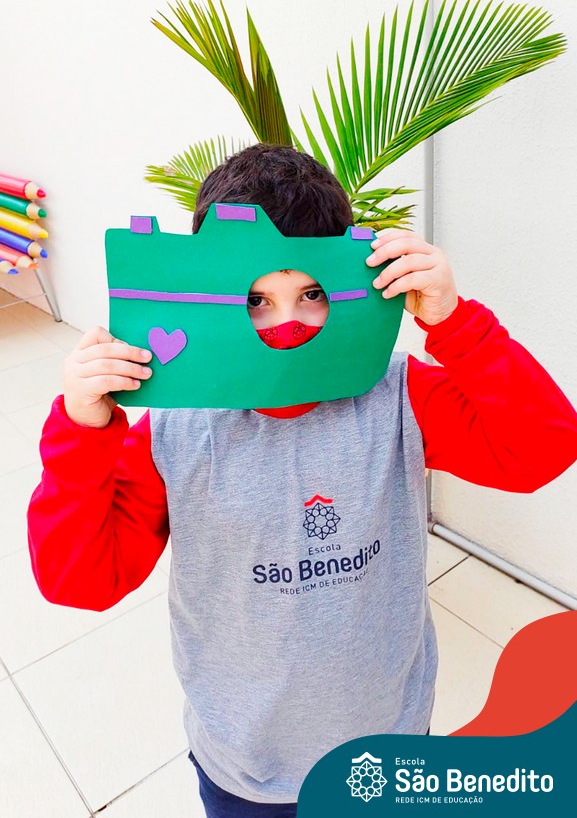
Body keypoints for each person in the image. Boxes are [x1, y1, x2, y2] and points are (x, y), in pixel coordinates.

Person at [27, 144, 577, 817]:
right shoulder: (174, 433)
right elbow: (80, 581)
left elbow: (541, 449)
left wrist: (457, 324)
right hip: (246, 762)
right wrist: (81, 432)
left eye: (310, 294)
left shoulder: (399, 398)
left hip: (388, 740)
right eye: (255, 300)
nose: (285, 324)